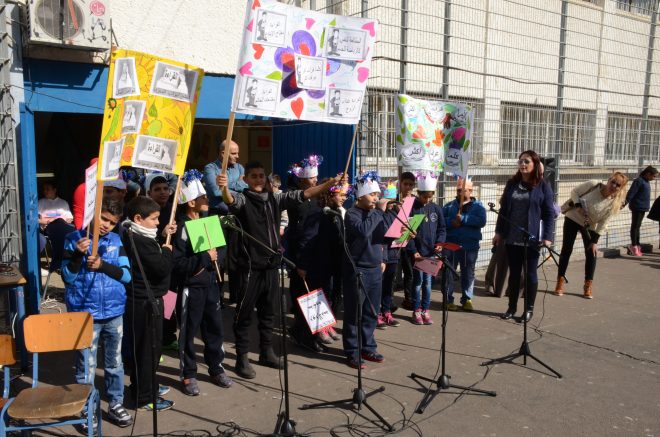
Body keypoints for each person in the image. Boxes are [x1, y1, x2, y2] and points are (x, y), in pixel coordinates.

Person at [217, 162, 340, 379]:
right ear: (245, 179)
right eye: (254, 176)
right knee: (244, 315)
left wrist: (330, 183)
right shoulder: (243, 199)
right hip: (250, 267)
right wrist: (224, 187)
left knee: (268, 313)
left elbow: (306, 193)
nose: (258, 179)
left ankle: (266, 352)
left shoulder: (275, 198)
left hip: (271, 266)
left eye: (261, 175)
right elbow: (230, 200)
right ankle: (241, 358)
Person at [61, 198, 133, 428]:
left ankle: (116, 402)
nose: (105, 225)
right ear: (93, 213)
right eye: (103, 218)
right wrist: (77, 255)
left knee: (114, 362)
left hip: (114, 312)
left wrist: (103, 266)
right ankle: (86, 407)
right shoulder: (73, 239)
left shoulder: (116, 240)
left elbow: (127, 276)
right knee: (86, 365)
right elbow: (67, 277)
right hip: (85, 313)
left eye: (111, 222)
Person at [172, 170, 233, 396]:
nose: (208, 198)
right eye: (203, 197)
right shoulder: (181, 227)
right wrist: (205, 258)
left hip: (211, 285)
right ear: (191, 202)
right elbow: (178, 263)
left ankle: (216, 367)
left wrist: (217, 256)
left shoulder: (209, 222)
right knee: (189, 331)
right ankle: (188, 373)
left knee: (215, 328)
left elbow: (221, 249)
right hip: (191, 288)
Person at [122, 196, 176, 411]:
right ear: (138, 218)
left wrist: (162, 236)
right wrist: (167, 250)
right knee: (148, 352)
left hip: (143, 299)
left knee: (145, 350)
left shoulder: (133, 233)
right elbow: (161, 268)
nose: (157, 223)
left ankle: (145, 386)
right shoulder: (140, 241)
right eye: (153, 219)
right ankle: (144, 397)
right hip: (145, 302)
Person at [495, 150, 555, 323]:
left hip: (532, 238)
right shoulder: (512, 184)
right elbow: (503, 210)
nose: (522, 164)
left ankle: (529, 309)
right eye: (520, 161)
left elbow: (549, 214)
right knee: (514, 274)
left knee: (530, 275)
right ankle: (511, 307)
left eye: (526, 161)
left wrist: (547, 236)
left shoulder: (543, 185)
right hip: (512, 237)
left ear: (535, 164)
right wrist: (499, 232)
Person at [342, 171, 391, 368]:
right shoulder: (352, 214)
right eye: (372, 194)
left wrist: (384, 257)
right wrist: (378, 212)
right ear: (361, 195)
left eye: (377, 194)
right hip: (358, 269)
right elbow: (363, 232)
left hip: (375, 268)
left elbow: (383, 237)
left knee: (372, 311)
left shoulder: (376, 214)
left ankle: (368, 346)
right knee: (355, 312)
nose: (376, 198)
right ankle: (352, 351)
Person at [554, 172, 629, 298]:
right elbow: (574, 192)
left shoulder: (614, 203)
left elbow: (604, 223)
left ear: (621, 188)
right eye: (613, 182)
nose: (614, 186)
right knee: (567, 249)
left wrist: (594, 241)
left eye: (618, 185)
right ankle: (560, 282)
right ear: (608, 180)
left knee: (592, 253)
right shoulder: (594, 185)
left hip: (589, 225)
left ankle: (588, 285)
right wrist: (578, 205)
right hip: (573, 218)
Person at [297, 177, 350, 345]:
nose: (344, 198)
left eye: (345, 195)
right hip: (318, 262)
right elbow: (307, 239)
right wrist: (303, 264)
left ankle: (327, 324)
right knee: (319, 295)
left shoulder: (337, 212)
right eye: (341, 194)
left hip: (333, 262)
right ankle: (317, 328)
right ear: (329, 194)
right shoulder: (318, 213)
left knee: (331, 293)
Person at [286, 155, 328, 351]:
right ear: (302, 180)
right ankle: (303, 335)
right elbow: (303, 233)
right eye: (312, 178)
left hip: (314, 252)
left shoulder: (315, 198)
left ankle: (309, 332)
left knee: (313, 294)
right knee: (303, 295)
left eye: (316, 177)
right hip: (300, 253)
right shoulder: (297, 198)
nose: (315, 181)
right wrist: (301, 263)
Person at [203, 140, 248, 304]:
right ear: (223, 154)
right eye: (234, 153)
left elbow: (245, 187)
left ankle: (236, 295)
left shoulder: (240, 168)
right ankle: (217, 296)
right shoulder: (210, 168)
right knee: (217, 258)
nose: (238, 156)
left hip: (235, 215)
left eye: (237, 152)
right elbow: (216, 191)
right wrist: (236, 185)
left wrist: (227, 186)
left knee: (236, 257)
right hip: (215, 216)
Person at [442, 178, 487, 311]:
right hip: (451, 244)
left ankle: (467, 299)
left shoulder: (478, 206)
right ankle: (447, 299)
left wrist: (464, 219)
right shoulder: (449, 206)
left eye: (463, 190)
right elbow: (441, 221)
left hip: (469, 245)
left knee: (468, 273)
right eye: (458, 190)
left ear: (471, 190)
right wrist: (451, 222)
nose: (460, 193)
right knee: (449, 272)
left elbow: (482, 221)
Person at [407, 172, 446, 325]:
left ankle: (425, 309)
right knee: (418, 282)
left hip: (431, 253)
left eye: (430, 196)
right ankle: (416, 309)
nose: (428, 200)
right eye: (425, 197)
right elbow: (408, 233)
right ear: (419, 193)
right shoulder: (413, 209)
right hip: (419, 253)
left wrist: (439, 243)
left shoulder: (436, 209)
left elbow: (442, 228)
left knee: (428, 283)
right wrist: (413, 250)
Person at [378, 181, 402, 328]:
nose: (391, 204)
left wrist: (407, 233)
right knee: (379, 285)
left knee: (388, 285)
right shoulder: (378, 213)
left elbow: (399, 229)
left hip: (393, 254)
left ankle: (386, 311)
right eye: (389, 201)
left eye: (393, 201)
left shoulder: (395, 213)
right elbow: (381, 231)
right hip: (381, 255)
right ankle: (376, 313)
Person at [625, 165, 658, 256]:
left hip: (642, 207)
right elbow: (631, 193)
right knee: (635, 227)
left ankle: (637, 245)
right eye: (653, 176)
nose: (654, 178)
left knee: (637, 227)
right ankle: (634, 246)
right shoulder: (639, 181)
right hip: (637, 207)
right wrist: (624, 203)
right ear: (648, 174)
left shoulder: (646, 181)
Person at [398, 172, 416, 310]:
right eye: (406, 184)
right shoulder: (394, 200)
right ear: (400, 184)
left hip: (409, 242)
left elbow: (417, 219)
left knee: (409, 272)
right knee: (392, 273)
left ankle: (408, 298)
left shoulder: (415, 201)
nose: (408, 187)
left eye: (411, 184)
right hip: (395, 241)